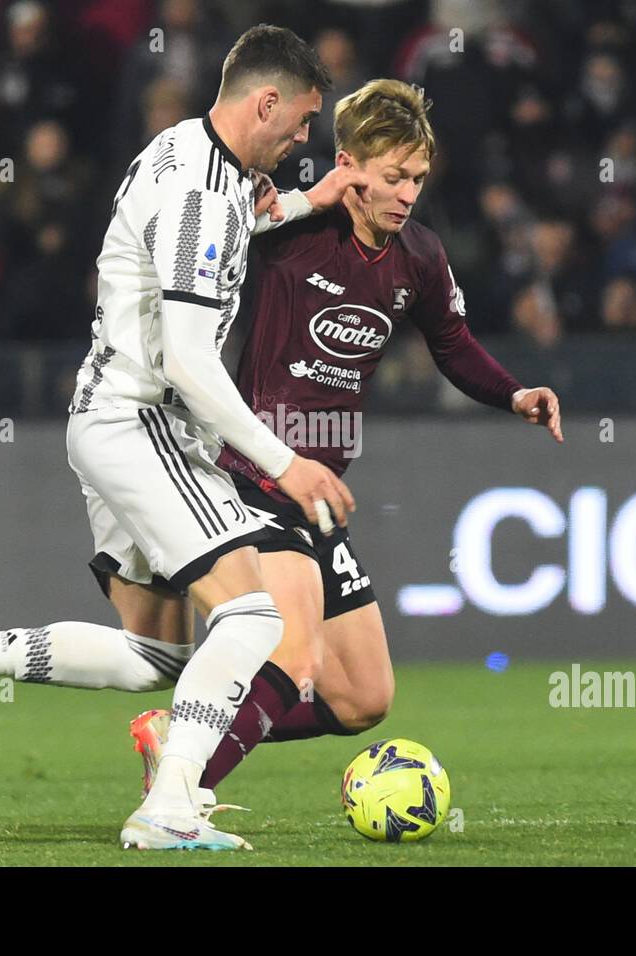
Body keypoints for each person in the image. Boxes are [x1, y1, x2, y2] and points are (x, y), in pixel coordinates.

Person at [0, 24, 365, 851]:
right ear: (265, 101)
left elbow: (226, 232)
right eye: (304, 120)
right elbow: (191, 361)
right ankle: (169, 807)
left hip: (110, 417)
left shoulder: (181, 151)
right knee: (252, 617)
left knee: (159, 657)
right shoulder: (205, 191)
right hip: (141, 421)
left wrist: (315, 200)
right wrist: (289, 464)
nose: (305, 139)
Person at [132, 78, 563, 803]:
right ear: (348, 163)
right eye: (393, 176)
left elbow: (452, 343)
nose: (407, 194)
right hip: (253, 476)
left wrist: (513, 393)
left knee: (364, 697)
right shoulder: (290, 232)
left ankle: (182, 735)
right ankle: (179, 792)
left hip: (320, 493)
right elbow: (204, 229)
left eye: (418, 179)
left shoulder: (419, 258)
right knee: (295, 657)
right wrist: (287, 203)